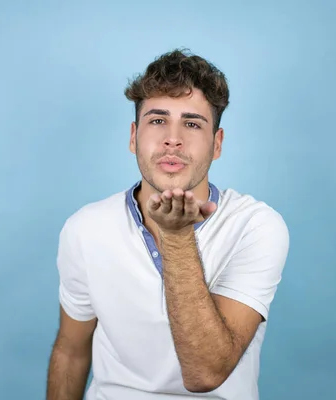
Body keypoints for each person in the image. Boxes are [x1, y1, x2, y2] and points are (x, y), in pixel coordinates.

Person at [46, 49, 290, 400]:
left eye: (192, 124)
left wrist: (176, 236)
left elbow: (206, 373)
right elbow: (70, 351)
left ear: (217, 144)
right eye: (158, 120)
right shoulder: (85, 228)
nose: (172, 139)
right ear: (133, 137)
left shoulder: (256, 226)